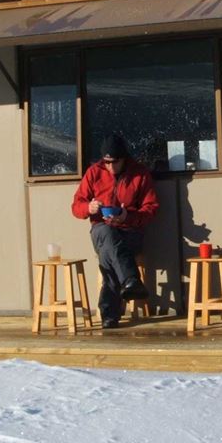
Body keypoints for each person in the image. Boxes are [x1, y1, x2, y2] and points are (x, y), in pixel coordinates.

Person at [71, 134, 159, 329]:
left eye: (114, 162)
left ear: (124, 158)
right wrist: (89, 208)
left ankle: (110, 314)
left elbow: (151, 208)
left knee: (108, 254)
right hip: (101, 230)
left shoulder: (139, 174)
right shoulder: (94, 172)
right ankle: (130, 280)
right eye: (107, 162)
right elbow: (76, 206)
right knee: (108, 235)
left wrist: (127, 216)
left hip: (130, 231)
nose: (110, 167)